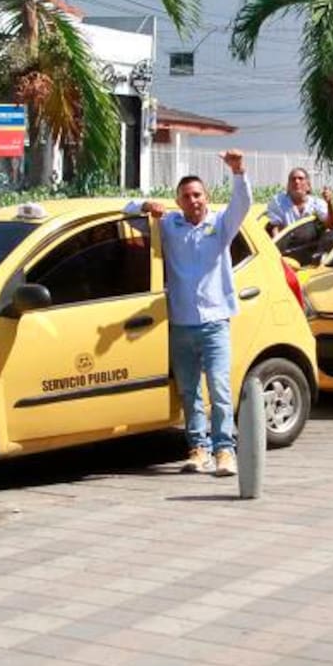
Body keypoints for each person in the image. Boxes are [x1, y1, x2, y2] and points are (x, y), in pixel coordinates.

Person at [125, 150, 251, 477]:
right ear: (178, 201)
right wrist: (144, 207)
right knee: (190, 391)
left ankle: (225, 451)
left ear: (206, 198)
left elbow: (243, 204)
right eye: (186, 196)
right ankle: (198, 448)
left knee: (220, 390)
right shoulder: (169, 225)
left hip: (214, 323)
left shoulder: (220, 224)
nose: (193, 201)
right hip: (181, 324)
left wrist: (238, 172)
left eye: (197, 195)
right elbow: (125, 209)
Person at [267, 168, 333, 234]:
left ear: (308, 185)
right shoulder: (278, 202)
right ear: (288, 185)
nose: (296, 182)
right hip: (288, 245)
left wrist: (329, 203)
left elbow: (332, 226)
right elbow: (275, 228)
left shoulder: (317, 203)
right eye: (293, 179)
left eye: (301, 179)